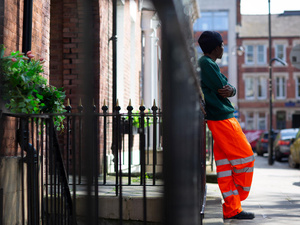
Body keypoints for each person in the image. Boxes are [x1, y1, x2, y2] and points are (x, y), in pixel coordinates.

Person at [198, 31, 255, 220]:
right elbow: (221, 86)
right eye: (222, 45)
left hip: (218, 118)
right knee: (246, 157)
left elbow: (228, 88)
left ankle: (232, 208)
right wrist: (229, 89)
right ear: (215, 48)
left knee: (224, 166)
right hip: (223, 118)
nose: (223, 48)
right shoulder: (206, 64)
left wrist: (231, 89)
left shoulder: (209, 64)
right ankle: (237, 198)